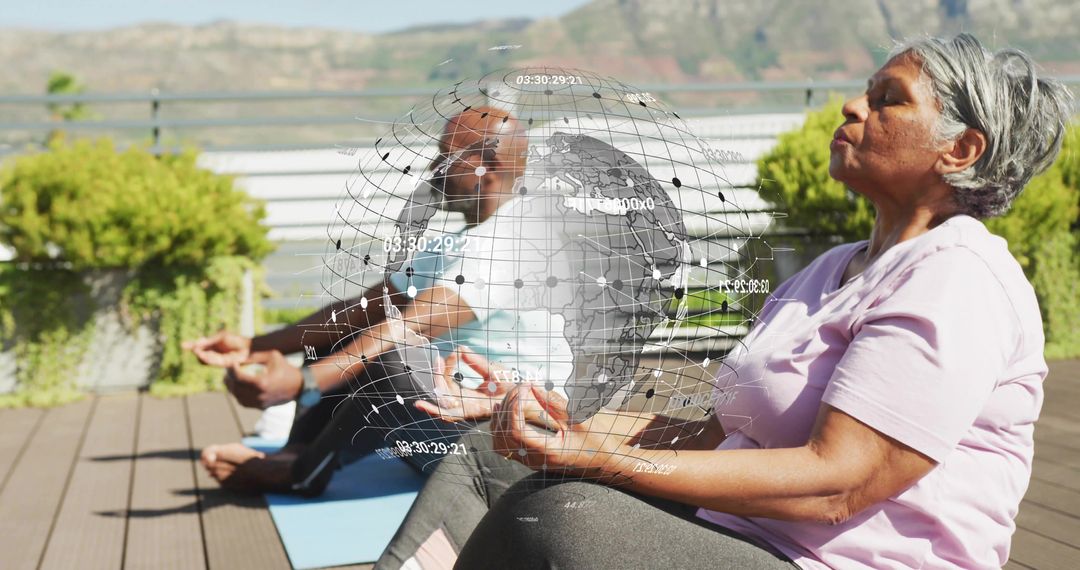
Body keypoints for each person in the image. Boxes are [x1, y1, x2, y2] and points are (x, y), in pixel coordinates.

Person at [374, 33, 1073, 569]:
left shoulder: (960, 277)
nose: (853, 106)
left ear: (961, 150)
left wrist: (592, 460)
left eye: (889, 98)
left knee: (568, 518)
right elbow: (718, 434)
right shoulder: (831, 271)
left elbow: (836, 486)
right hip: (747, 540)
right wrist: (557, 419)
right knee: (487, 459)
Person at [185, 106, 575, 495]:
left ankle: (301, 472)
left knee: (394, 353)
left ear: (484, 167)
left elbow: (407, 326)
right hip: (443, 423)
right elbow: (362, 310)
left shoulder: (519, 242)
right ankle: (296, 453)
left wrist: (302, 383)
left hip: (502, 449)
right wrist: (252, 346)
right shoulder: (453, 245)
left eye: (445, 157)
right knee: (342, 335)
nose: (434, 169)